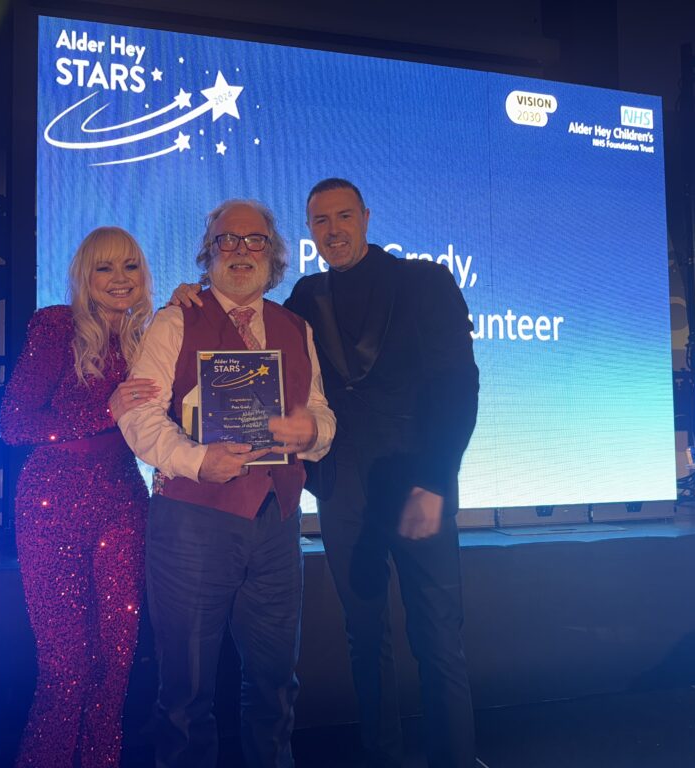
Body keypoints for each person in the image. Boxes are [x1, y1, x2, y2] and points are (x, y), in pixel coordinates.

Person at [173, 179, 479, 768]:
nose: (333, 230)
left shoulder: (426, 282)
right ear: (309, 230)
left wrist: (435, 483)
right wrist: (196, 293)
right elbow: (245, 319)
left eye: (343, 216)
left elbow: (459, 389)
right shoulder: (306, 299)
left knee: (439, 639)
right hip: (344, 493)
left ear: (366, 216)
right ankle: (379, 755)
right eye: (319, 221)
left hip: (420, 485)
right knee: (365, 639)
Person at [117, 199, 336, 768]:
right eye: (227, 240)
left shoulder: (296, 327)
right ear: (208, 251)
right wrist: (194, 459)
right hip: (192, 521)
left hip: (277, 523)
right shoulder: (174, 321)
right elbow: (138, 414)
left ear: (275, 253)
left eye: (255, 240)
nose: (241, 250)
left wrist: (311, 430)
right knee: (185, 694)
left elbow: (321, 413)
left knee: (274, 684)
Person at [0, 226, 159, 768]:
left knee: (116, 666)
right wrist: (106, 408)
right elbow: (14, 425)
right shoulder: (55, 327)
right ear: (84, 278)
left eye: (130, 266)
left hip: (123, 502)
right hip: (51, 505)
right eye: (105, 268)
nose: (120, 279)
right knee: (65, 670)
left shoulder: (153, 334)